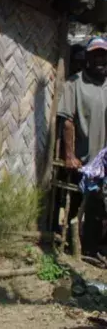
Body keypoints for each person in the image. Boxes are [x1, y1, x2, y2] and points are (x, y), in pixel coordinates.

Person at [57, 36, 107, 257]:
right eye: (95, 55)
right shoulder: (75, 84)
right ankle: (66, 240)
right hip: (82, 159)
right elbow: (67, 120)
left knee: (98, 208)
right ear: (87, 57)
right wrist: (69, 154)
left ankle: (90, 249)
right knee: (75, 202)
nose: (100, 59)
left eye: (104, 56)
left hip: (103, 162)